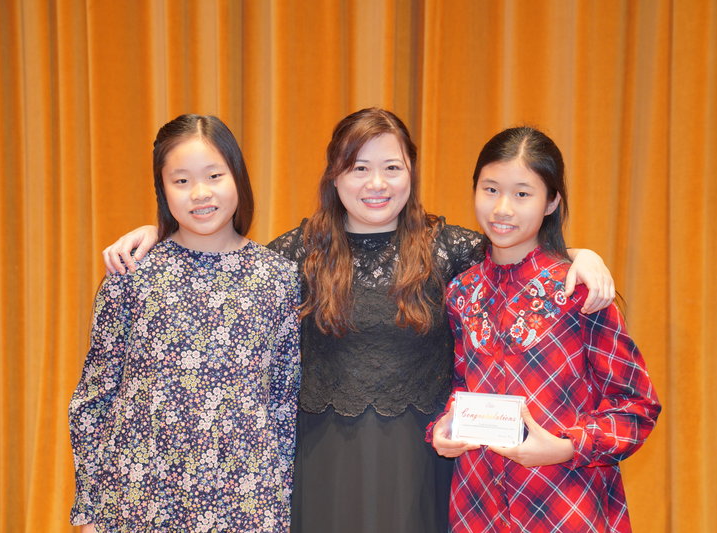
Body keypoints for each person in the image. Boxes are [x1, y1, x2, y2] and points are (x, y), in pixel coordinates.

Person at [102, 109, 615, 533]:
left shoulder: (448, 247)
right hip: (323, 457)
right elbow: (227, 256)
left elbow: (516, 250)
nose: (376, 183)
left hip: (425, 458)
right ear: (335, 175)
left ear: (411, 172)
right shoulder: (298, 253)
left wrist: (578, 254)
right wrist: (159, 232)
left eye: (391, 167)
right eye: (358, 168)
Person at [69, 114, 301, 532]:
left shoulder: (278, 277)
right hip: (140, 497)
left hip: (245, 499)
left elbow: (285, 400)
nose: (200, 193)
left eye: (214, 175)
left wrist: (278, 502)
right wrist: (89, 512)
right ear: (162, 189)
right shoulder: (132, 272)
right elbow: (95, 397)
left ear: (238, 177)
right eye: (181, 180)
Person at [430, 126, 660, 532]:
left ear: (551, 201)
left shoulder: (578, 289)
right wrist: (444, 428)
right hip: (477, 505)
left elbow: (637, 405)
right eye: (490, 189)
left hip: (564, 504)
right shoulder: (460, 291)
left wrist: (565, 447)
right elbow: (459, 384)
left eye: (522, 194)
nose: (502, 208)